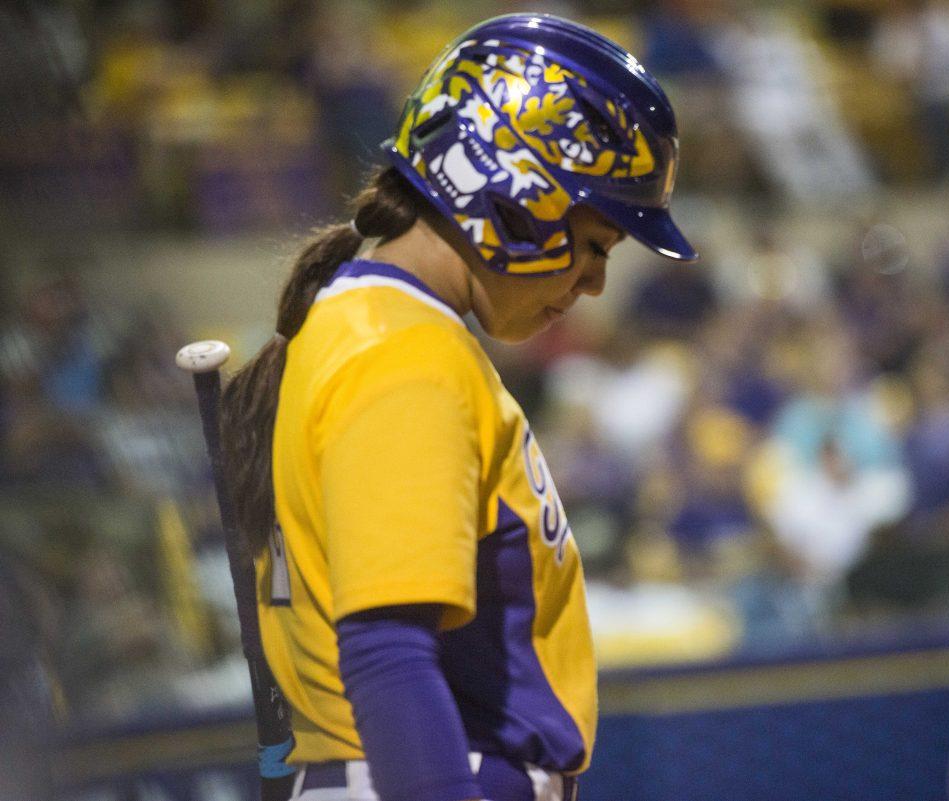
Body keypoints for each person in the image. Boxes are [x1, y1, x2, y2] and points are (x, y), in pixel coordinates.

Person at [220, 14, 697, 801]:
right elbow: (388, 653)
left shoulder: (370, 325)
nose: (595, 284)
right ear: (516, 193)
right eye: (595, 243)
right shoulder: (405, 356)